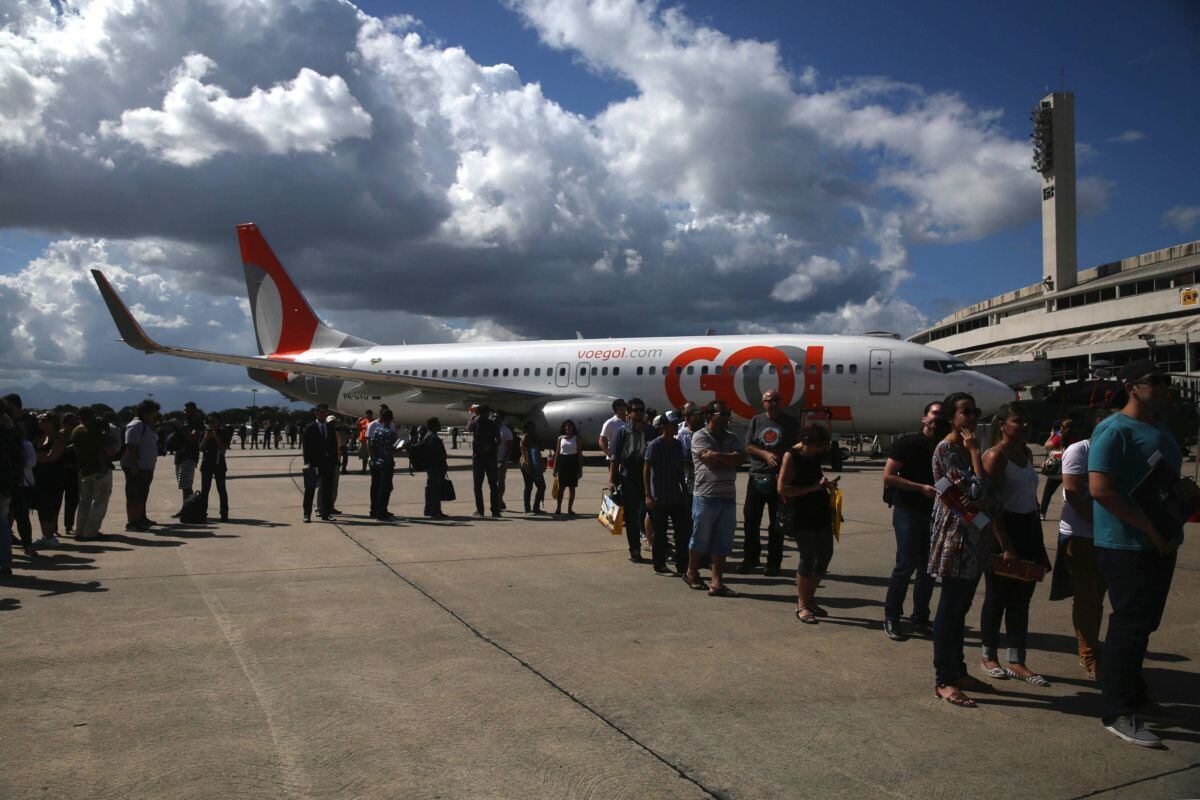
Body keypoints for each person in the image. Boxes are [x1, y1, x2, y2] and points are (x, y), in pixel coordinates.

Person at [1090, 359, 1195, 747]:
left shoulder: (1159, 430)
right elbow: (1100, 488)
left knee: (1144, 624)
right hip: (1126, 545)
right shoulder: (1114, 429)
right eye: (1157, 381)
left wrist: (1186, 491)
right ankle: (1117, 711)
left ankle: (1135, 695)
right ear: (1132, 386)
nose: (1166, 386)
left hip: (1161, 541)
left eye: (1168, 380)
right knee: (1129, 626)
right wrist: (1148, 527)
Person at [928, 393, 994, 708]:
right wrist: (976, 453)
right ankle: (944, 679)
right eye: (965, 412)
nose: (972, 417)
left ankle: (957, 669)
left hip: (977, 534)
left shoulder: (966, 450)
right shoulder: (947, 450)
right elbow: (975, 492)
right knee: (950, 608)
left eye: (975, 411)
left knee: (962, 606)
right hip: (957, 537)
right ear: (952, 417)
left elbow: (985, 496)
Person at [980, 402, 1051, 687]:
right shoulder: (995, 456)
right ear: (1002, 425)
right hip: (1002, 531)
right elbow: (992, 507)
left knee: (1022, 600)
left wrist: (1039, 546)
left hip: (1028, 529)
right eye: (1018, 421)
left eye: (1026, 421)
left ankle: (1017, 660)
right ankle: (988, 656)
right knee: (997, 597)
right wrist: (1005, 545)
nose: (1025, 425)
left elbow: (1030, 502)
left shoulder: (1025, 452)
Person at [881, 401, 943, 641]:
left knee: (928, 570)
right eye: (934, 414)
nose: (937, 419)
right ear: (924, 418)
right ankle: (892, 617)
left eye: (941, 415)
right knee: (905, 565)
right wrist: (920, 488)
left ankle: (920, 619)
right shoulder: (907, 443)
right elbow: (889, 476)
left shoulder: (945, 446)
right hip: (907, 510)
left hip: (934, 513)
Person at [1054, 409, 1107, 679]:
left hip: (1109, 537)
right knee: (1087, 597)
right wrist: (1101, 526)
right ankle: (1088, 652)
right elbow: (1073, 493)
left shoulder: (1115, 450)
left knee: (1097, 596)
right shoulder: (1079, 450)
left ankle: (1093, 644)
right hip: (1081, 535)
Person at [779, 423, 837, 623]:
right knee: (808, 556)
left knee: (825, 554)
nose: (821, 450)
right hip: (801, 512)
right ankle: (802, 604)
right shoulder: (791, 456)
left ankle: (810, 599)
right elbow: (783, 489)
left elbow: (816, 477)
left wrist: (826, 485)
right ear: (807, 442)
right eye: (819, 445)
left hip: (820, 510)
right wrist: (813, 488)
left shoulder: (815, 455)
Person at [685, 400, 745, 596]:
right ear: (710, 415)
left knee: (723, 540)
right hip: (705, 496)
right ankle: (692, 573)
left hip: (727, 496)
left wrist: (719, 457)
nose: (727, 416)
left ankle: (717, 582)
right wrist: (728, 457)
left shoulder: (732, 437)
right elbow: (709, 459)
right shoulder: (699, 436)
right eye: (722, 413)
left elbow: (740, 459)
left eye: (728, 413)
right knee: (699, 539)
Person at [740, 390, 798, 575]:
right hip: (757, 476)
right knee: (751, 520)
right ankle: (750, 560)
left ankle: (773, 563)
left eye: (776, 400)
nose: (773, 403)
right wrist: (764, 454)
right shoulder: (757, 421)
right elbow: (748, 446)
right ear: (763, 403)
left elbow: (798, 446)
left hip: (779, 479)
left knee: (777, 524)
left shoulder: (790, 422)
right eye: (769, 400)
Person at [644, 411, 690, 574]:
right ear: (663, 426)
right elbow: (647, 469)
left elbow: (679, 469)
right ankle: (659, 565)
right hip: (659, 498)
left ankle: (682, 565)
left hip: (675, 496)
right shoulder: (654, 445)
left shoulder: (677, 445)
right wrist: (648, 495)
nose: (676, 427)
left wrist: (683, 491)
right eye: (673, 424)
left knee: (681, 533)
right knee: (660, 535)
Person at [609, 398, 653, 562]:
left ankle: (655, 544)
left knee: (653, 512)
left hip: (648, 478)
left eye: (642, 410)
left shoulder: (650, 431)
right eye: (636, 410)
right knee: (632, 516)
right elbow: (615, 458)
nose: (640, 413)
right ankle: (635, 549)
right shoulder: (622, 432)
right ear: (628, 413)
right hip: (629, 478)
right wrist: (612, 480)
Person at [71, 407, 117, 541]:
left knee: (84, 502)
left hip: (84, 470)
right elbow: (110, 451)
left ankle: (80, 530)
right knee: (100, 502)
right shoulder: (94, 432)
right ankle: (91, 532)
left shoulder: (76, 431)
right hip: (100, 470)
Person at [122, 399, 160, 531]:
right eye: (153, 413)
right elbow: (131, 446)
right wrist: (134, 465)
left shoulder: (146, 425)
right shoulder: (136, 425)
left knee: (142, 494)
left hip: (146, 466)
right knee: (134, 495)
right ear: (145, 413)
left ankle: (140, 518)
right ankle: (132, 522)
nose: (154, 416)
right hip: (138, 466)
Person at [32, 412, 67, 546]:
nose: (41, 422)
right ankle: (46, 535)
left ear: (53, 422)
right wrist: (40, 456)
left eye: (44, 420)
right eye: (40, 420)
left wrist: (38, 456)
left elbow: (52, 456)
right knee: (41, 506)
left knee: (50, 506)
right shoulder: (39, 438)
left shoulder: (59, 437)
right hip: (38, 477)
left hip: (54, 477)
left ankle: (50, 536)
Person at [301, 404, 339, 523]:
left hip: (328, 463)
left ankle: (326, 513)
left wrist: (334, 461)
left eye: (325, 412)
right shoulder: (310, 428)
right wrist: (307, 462)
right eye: (322, 412)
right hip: (314, 463)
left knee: (327, 489)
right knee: (310, 489)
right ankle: (307, 514)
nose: (324, 414)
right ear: (316, 413)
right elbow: (306, 446)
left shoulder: (330, 428)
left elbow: (334, 445)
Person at [467, 405, 502, 518]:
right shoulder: (493, 424)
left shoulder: (475, 422)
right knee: (493, 485)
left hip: (478, 458)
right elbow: (499, 439)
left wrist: (473, 416)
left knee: (478, 486)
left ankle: (480, 511)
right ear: (487, 413)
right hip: (491, 458)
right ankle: (495, 511)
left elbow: (467, 427)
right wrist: (492, 447)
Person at [416, 417, 450, 520]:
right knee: (434, 491)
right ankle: (434, 512)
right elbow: (435, 455)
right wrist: (441, 466)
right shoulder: (432, 437)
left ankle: (435, 511)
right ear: (434, 425)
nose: (440, 425)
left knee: (434, 490)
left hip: (434, 468)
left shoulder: (430, 436)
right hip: (435, 468)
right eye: (438, 424)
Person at [199, 412, 230, 522]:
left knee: (221, 489)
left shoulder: (223, 433)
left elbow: (223, 449)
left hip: (219, 464)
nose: (212, 424)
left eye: (214, 421)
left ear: (219, 422)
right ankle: (202, 513)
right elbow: (201, 448)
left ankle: (224, 513)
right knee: (205, 490)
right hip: (206, 464)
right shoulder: (204, 433)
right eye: (210, 421)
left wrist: (216, 436)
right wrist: (206, 437)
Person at [1038, 421, 1067, 519]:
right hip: (1068, 466)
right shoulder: (1071, 435)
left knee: (1048, 491)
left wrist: (1051, 435)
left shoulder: (1059, 435)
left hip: (1058, 468)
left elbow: (1047, 446)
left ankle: (1042, 512)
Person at [553, 420, 581, 516]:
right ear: (564, 428)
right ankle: (558, 508)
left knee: (572, 489)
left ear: (573, 428)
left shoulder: (576, 439)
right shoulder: (560, 439)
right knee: (561, 488)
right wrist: (554, 467)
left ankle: (570, 509)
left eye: (570, 426)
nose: (568, 428)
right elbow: (557, 453)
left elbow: (580, 454)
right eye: (566, 426)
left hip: (573, 463)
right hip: (562, 463)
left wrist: (580, 469)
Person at [59, 411, 80, 536]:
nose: (74, 426)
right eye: (71, 424)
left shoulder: (76, 435)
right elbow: (57, 452)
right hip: (61, 471)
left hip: (74, 470)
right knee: (56, 501)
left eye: (76, 423)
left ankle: (68, 526)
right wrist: (71, 447)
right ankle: (53, 527)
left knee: (72, 500)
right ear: (64, 424)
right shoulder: (59, 436)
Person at [519, 420, 546, 515]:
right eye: (530, 427)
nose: (533, 429)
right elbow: (527, 453)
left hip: (532, 463)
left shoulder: (533, 437)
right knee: (538, 486)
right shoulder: (526, 438)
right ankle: (531, 508)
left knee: (532, 486)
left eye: (533, 427)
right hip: (529, 464)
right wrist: (531, 467)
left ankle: (531, 507)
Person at [599, 399, 628, 465]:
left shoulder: (630, 422)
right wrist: (610, 454)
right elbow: (602, 441)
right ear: (617, 408)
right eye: (623, 405)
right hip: (615, 460)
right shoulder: (610, 423)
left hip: (628, 458)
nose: (625, 407)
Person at [496, 415, 513, 511]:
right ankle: (498, 500)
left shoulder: (506, 431)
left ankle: (499, 499)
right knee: (493, 483)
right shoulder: (491, 428)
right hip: (491, 460)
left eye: (498, 417)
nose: (496, 419)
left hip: (501, 460)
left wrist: (505, 460)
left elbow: (510, 446)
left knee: (501, 482)